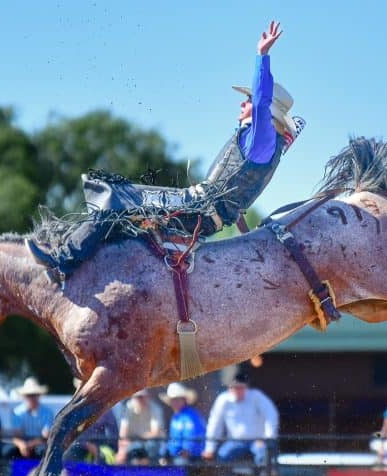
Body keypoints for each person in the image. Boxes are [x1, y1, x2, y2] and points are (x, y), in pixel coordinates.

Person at [29, 20, 305, 284]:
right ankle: (79, 260)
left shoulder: (261, 139)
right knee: (120, 202)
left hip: (196, 210)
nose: (243, 104)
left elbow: (261, 101)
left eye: (247, 100)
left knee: (115, 195)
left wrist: (262, 55)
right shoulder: (265, 145)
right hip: (200, 211)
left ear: (265, 114)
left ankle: (63, 260)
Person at [203, 371, 279, 466]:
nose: (238, 390)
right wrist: (209, 448)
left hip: (258, 441)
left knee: (263, 456)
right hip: (235, 442)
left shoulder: (257, 397)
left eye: (241, 387)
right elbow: (215, 424)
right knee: (222, 457)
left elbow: (271, 415)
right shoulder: (223, 400)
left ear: (246, 387)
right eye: (235, 387)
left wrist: (267, 438)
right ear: (229, 388)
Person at [3, 377, 54, 460]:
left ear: (39, 395)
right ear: (24, 396)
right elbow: (16, 435)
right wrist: (22, 445)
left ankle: (44, 473)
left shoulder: (47, 412)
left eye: (34, 395)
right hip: (23, 444)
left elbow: (46, 436)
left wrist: (30, 445)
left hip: (39, 444)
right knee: (7, 451)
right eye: (29, 395)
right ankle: (6, 473)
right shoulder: (17, 412)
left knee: (43, 450)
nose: (31, 398)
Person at [116, 389, 165, 464]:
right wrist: (121, 451)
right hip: (134, 444)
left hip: (153, 444)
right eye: (138, 397)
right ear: (133, 397)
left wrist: (136, 438)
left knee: (151, 446)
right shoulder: (128, 408)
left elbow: (155, 433)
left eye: (142, 396)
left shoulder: (155, 408)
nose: (140, 399)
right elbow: (123, 434)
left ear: (148, 397)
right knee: (131, 453)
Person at [162, 382, 207, 464]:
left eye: (177, 399)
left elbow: (191, 437)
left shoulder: (191, 416)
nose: (175, 402)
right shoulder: (175, 416)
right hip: (176, 455)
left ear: (184, 400)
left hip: (190, 457)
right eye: (173, 400)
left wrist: (185, 451)